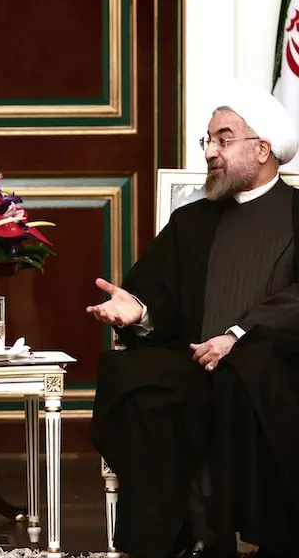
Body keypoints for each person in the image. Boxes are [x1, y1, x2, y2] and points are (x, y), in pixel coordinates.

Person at [87, 83, 299, 558]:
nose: (210, 152)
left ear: (262, 149)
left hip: (274, 366)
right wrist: (141, 311)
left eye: (224, 139)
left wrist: (237, 337)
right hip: (195, 362)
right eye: (208, 140)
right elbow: (162, 293)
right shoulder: (193, 220)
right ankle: (186, 532)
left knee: (248, 375)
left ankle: (252, 531)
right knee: (130, 378)